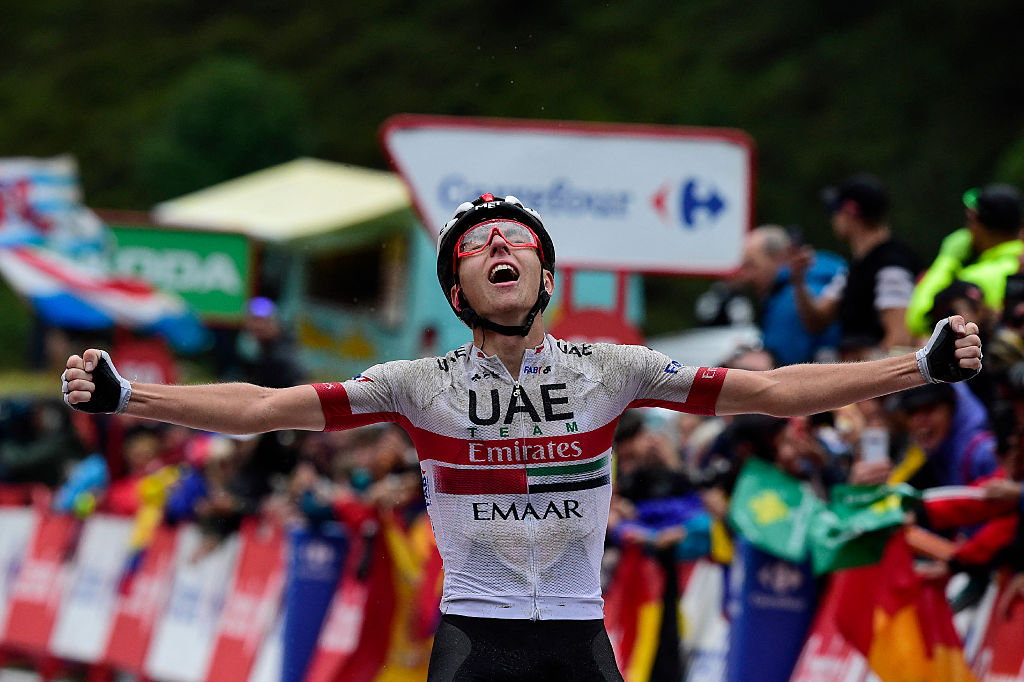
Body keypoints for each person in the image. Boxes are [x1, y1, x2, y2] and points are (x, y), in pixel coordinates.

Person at [61, 193, 983, 682]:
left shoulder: (610, 368)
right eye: (475, 244)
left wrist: (920, 368)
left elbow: (775, 391)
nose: (499, 247)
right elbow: (265, 408)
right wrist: (131, 394)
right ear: (458, 292)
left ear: (544, 270)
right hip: (475, 642)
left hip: (582, 638)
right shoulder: (414, 385)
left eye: (516, 238)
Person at [791, 173, 923, 356]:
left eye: (834, 209)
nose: (833, 218)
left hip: (878, 379)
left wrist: (865, 377)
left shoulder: (891, 265)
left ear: (850, 211)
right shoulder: (857, 265)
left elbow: (899, 342)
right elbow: (816, 321)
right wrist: (798, 280)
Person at [907, 183, 1024, 339]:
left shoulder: (976, 277)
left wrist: (948, 258)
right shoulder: (1017, 266)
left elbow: (918, 319)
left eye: (970, 219)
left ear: (978, 225)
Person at [737, 224, 845, 365]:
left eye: (752, 265)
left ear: (779, 258)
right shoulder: (831, 276)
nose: (747, 276)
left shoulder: (789, 301)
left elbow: (781, 367)